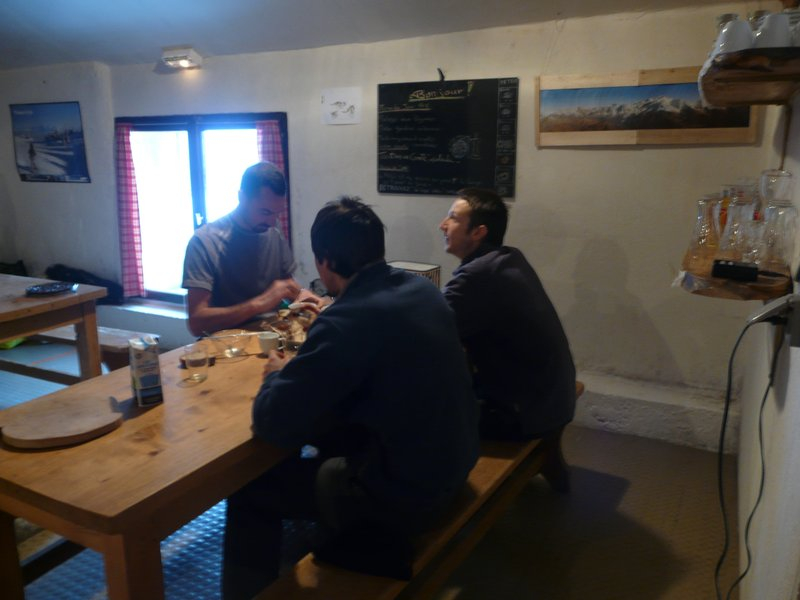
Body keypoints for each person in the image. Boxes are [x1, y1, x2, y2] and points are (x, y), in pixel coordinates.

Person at [222, 196, 479, 599]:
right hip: (456, 463)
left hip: (410, 496)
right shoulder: (421, 290)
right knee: (326, 430)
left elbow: (272, 422)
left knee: (249, 489)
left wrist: (276, 375)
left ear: (324, 262)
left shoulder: (347, 320)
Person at [439, 187, 576, 441]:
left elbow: (428, 329)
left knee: (412, 410)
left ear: (478, 232)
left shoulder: (478, 276)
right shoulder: (508, 259)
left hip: (523, 414)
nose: (442, 225)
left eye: (453, 218)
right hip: (553, 400)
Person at [182, 161, 314, 336]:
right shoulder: (204, 242)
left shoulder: (272, 230)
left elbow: (288, 286)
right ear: (241, 197)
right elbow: (197, 323)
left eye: (277, 213)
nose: (272, 221)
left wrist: (308, 299)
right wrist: (260, 304)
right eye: (265, 212)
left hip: (271, 335)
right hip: (226, 343)